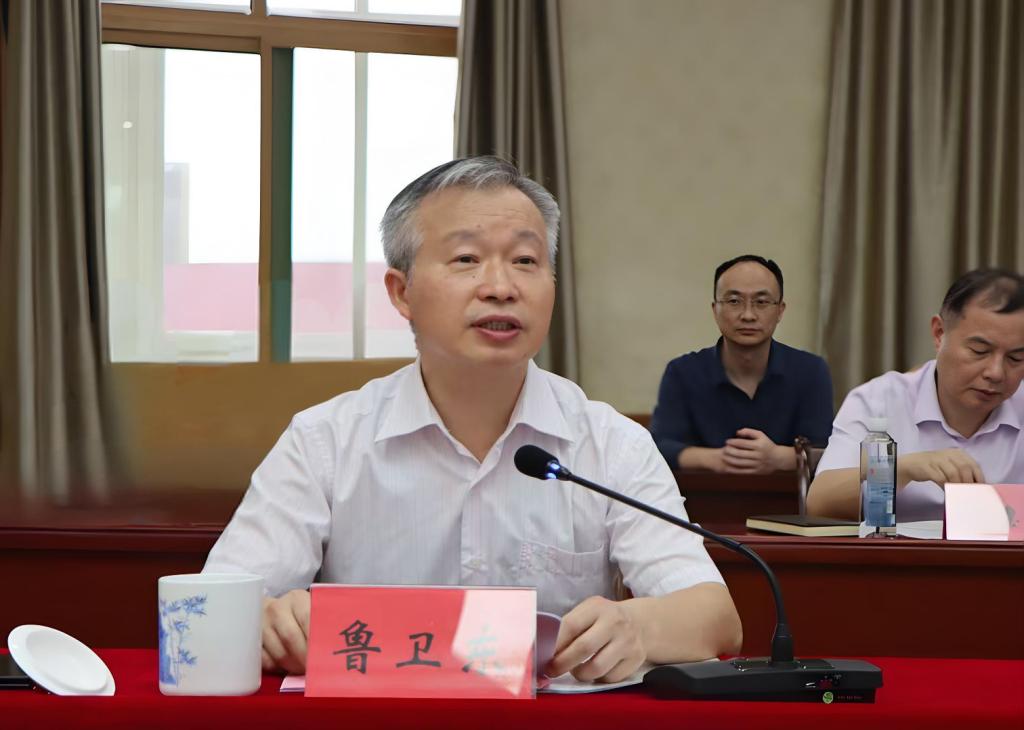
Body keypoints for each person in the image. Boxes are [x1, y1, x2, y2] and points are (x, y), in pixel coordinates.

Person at [204, 157, 742, 681]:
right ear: (402, 292)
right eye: (466, 259)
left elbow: (715, 618)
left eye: (525, 261)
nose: (501, 287)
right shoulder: (325, 441)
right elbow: (209, 608)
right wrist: (270, 620)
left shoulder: (611, 445)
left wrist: (636, 627)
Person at [807, 268, 1024, 520]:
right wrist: (902, 468)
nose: (996, 373)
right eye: (979, 351)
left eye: (1016, 358)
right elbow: (818, 503)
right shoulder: (879, 401)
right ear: (939, 334)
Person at [650, 255, 833, 474]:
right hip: (705, 495)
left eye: (761, 302)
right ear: (715, 310)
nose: (748, 315)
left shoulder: (811, 371)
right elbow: (659, 448)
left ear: (780, 311)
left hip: (788, 496)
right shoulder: (682, 372)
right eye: (734, 301)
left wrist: (779, 458)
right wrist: (717, 459)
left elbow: (827, 452)